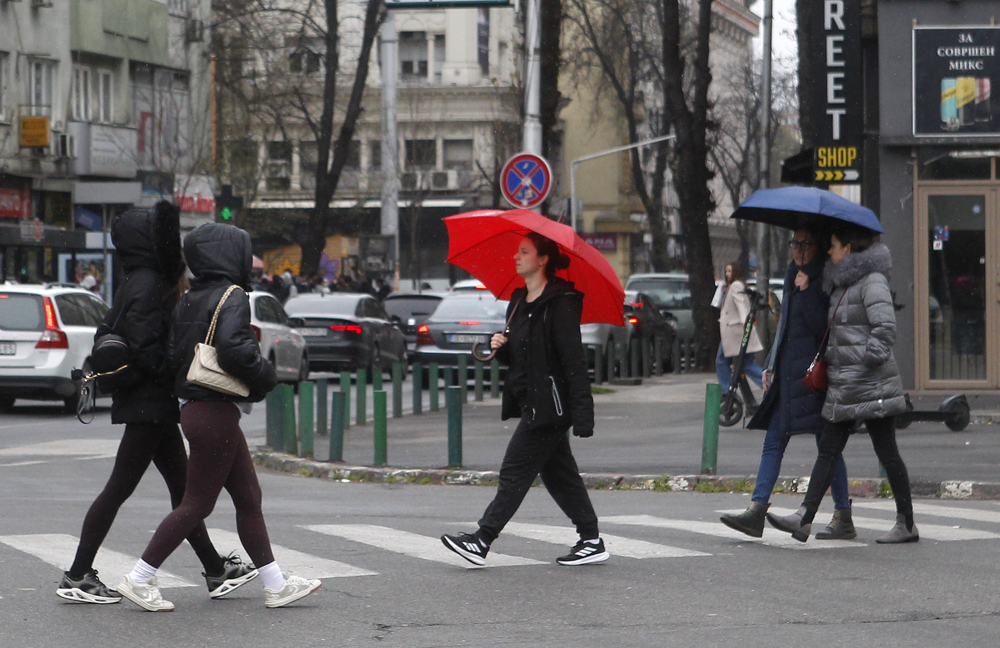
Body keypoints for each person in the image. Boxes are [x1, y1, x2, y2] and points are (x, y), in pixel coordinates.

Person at [57, 203, 256, 605]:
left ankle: (216, 569)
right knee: (119, 489)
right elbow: (146, 348)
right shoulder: (148, 283)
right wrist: (178, 371)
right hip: (148, 404)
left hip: (152, 404)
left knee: (184, 491)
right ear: (149, 242)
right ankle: (78, 574)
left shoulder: (136, 280)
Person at [116, 223, 321, 611]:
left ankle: (276, 584)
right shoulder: (233, 295)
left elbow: (175, 356)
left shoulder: (190, 297)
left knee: (249, 497)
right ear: (230, 254)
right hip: (215, 411)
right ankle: (139, 577)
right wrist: (265, 375)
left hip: (198, 408)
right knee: (196, 504)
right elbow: (235, 349)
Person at [440, 233, 608, 567]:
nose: (516, 256)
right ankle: (591, 540)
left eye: (524, 251)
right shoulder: (519, 300)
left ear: (543, 259)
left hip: (550, 406)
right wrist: (501, 346)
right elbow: (523, 357)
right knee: (560, 476)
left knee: (514, 472)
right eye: (518, 251)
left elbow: (573, 361)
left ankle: (482, 539)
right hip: (531, 400)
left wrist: (583, 414)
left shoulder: (560, 302)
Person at [767, 224, 918, 544]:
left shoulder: (873, 281)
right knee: (828, 450)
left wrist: (863, 364)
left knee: (887, 453)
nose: (829, 251)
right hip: (845, 385)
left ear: (848, 248)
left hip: (872, 385)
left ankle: (906, 523)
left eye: (833, 246)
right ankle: (804, 518)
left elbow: (885, 330)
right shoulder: (839, 284)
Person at [719, 228, 854, 539]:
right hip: (788, 374)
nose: (799, 250)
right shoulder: (794, 273)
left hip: (814, 376)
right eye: (795, 243)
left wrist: (807, 292)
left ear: (818, 246)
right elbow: (785, 325)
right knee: (775, 440)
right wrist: (771, 362)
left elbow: (824, 328)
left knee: (827, 446)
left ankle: (843, 515)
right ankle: (757, 509)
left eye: (806, 244)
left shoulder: (826, 277)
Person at [716, 262, 764, 390]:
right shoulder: (733, 286)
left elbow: (741, 304)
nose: (727, 274)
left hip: (735, 332)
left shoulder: (736, 285)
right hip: (735, 331)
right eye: (726, 271)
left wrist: (745, 321)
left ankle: (727, 390)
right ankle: (768, 384)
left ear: (736, 272)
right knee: (744, 363)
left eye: (730, 271)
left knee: (723, 361)